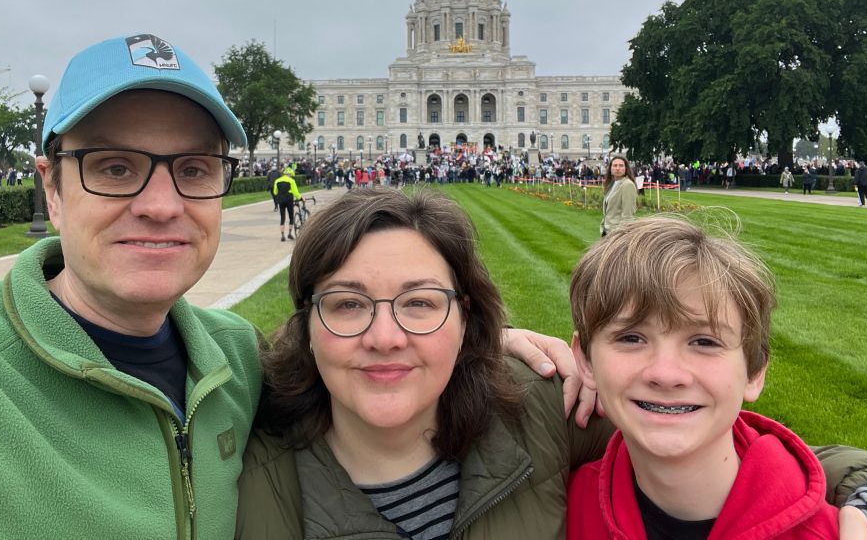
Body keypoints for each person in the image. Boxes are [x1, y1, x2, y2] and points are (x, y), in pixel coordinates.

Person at [0, 34, 262, 538]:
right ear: (51, 190)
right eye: (116, 167)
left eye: (194, 169)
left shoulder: (241, 361)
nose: (163, 206)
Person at [237, 188, 613, 538]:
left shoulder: (547, 404)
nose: (384, 339)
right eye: (348, 304)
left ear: (464, 319)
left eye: (419, 303)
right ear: (307, 326)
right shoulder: (233, 467)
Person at [567, 216, 867, 539]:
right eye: (631, 338)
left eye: (705, 342)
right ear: (585, 361)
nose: (665, 373)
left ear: (755, 372)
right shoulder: (563, 512)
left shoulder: (829, 533)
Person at [601, 155, 637, 237]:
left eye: (621, 166)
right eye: (615, 165)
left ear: (626, 168)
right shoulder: (612, 184)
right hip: (607, 232)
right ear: (610, 169)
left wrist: (620, 237)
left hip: (617, 235)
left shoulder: (627, 185)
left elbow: (628, 216)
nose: (617, 168)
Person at [273, 165, 302, 241]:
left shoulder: (277, 181)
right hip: (289, 199)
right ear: (289, 174)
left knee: (282, 217)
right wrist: (300, 198)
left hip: (281, 200)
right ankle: (289, 234)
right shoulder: (291, 181)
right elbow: (296, 192)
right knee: (291, 217)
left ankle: (282, 235)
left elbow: (275, 192)